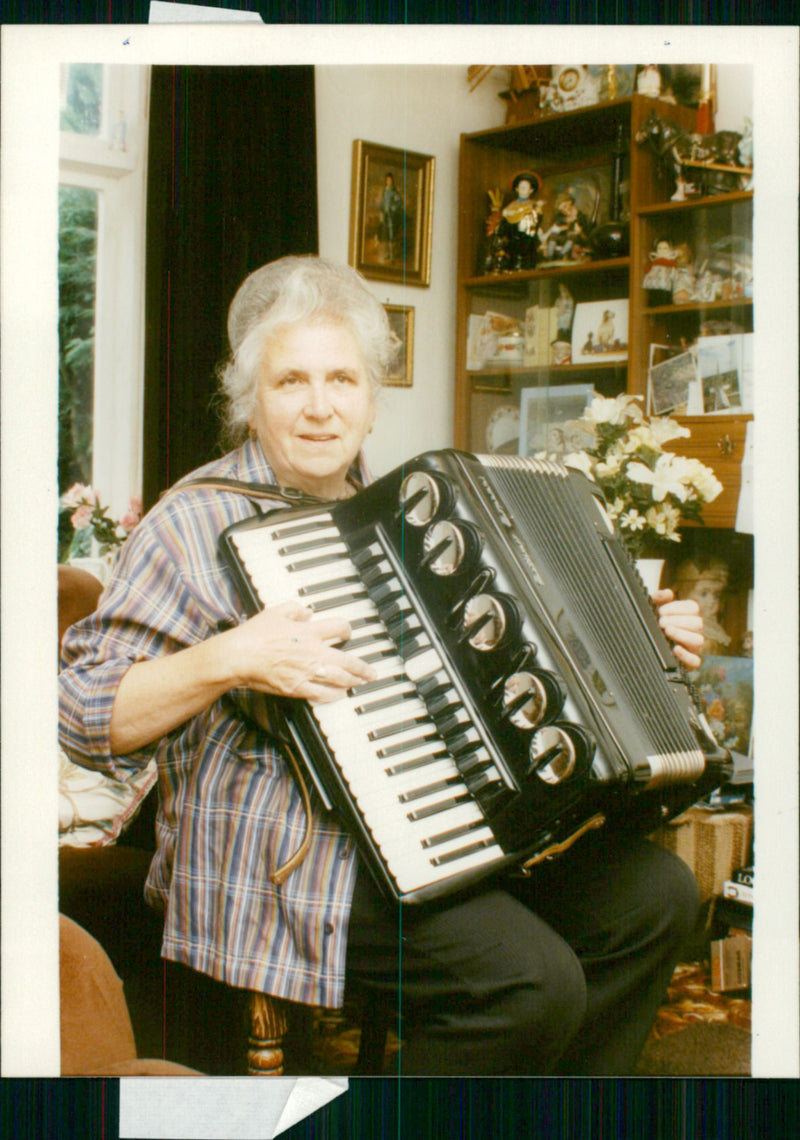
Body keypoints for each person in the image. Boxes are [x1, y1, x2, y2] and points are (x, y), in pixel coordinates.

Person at [59, 255, 707, 1077]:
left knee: (654, 899)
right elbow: (82, 714)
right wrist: (230, 656)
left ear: (372, 399)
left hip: (437, 821)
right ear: (249, 400)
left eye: (344, 380)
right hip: (281, 854)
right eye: (292, 381)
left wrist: (642, 645)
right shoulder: (192, 522)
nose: (321, 407)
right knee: (528, 985)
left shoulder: (406, 514)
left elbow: (521, 662)